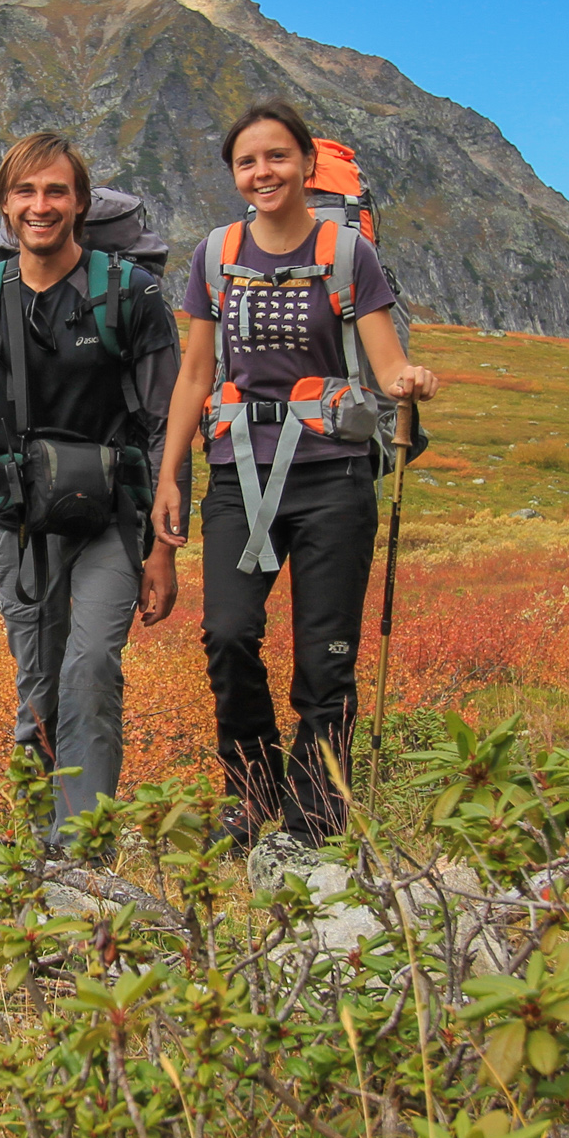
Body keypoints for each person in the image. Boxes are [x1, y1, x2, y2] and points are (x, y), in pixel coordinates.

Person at [155, 99, 438, 846]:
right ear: (234, 175)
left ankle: (318, 817)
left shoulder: (350, 256)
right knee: (227, 634)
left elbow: (385, 362)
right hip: (237, 474)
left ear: (308, 166)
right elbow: (193, 375)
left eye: (277, 157)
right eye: (248, 161)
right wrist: (169, 475)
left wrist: (410, 380)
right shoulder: (214, 256)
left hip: (333, 476)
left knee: (325, 656)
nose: (263, 171)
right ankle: (250, 793)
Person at [0, 132, 181, 840]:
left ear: (81, 203)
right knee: (37, 677)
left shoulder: (132, 295)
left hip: (111, 519)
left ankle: (80, 848)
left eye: (56, 190)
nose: (41, 205)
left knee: (89, 667)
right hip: (18, 517)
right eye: (25, 191)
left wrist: (163, 550)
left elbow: (165, 428)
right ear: (4, 205)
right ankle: (35, 849)